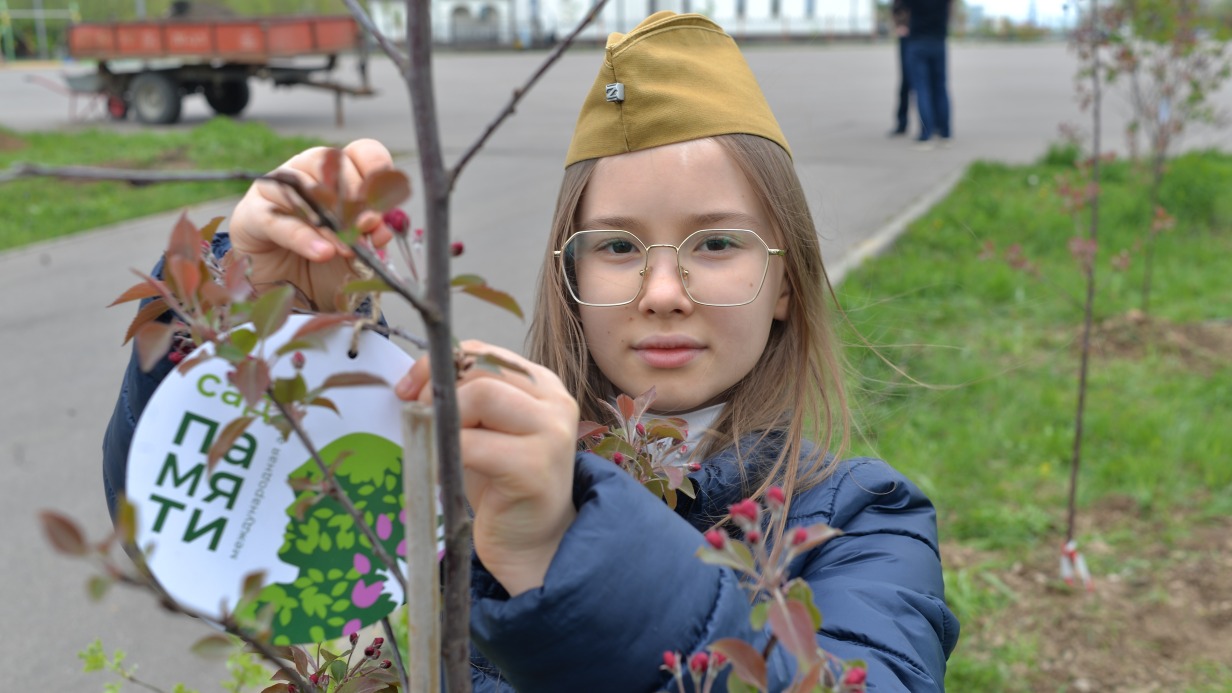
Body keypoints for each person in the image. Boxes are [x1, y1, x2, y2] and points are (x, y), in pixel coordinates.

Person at [102, 11, 958, 691]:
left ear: (785, 284)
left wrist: (569, 543)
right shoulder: (472, 461)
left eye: (716, 244)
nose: (663, 290)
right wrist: (249, 311)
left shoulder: (861, 523)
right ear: (569, 278)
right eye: (617, 247)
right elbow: (199, 528)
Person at [903, 0, 952, 148]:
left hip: (918, 41)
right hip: (938, 41)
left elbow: (903, 7)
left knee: (922, 88)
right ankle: (945, 133)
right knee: (940, 88)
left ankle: (926, 134)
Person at [890, 0, 914, 137]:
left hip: (925, 34)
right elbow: (896, 7)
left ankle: (933, 124)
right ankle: (902, 123)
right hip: (909, 35)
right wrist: (900, 25)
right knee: (906, 81)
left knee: (928, 83)